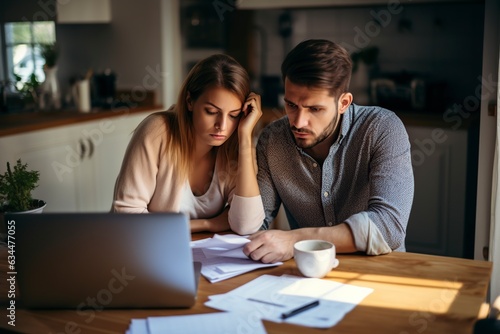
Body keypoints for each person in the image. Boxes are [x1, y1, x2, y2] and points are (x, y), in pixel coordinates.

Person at [243, 39, 414, 263]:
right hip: (305, 276)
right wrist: (243, 141)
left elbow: (388, 227)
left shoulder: (382, 128)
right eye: (291, 105)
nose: (299, 122)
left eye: (315, 109)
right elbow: (252, 227)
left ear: (344, 103)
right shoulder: (272, 140)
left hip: (378, 273)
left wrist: (295, 240)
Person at [112, 54, 264, 235]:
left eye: (233, 115)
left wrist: (246, 136)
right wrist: (209, 224)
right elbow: (126, 216)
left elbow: (246, 225)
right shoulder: (157, 132)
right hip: (143, 249)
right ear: (190, 101)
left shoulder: (236, 147)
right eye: (211, 111)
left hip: (204, 254)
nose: (222, 126)